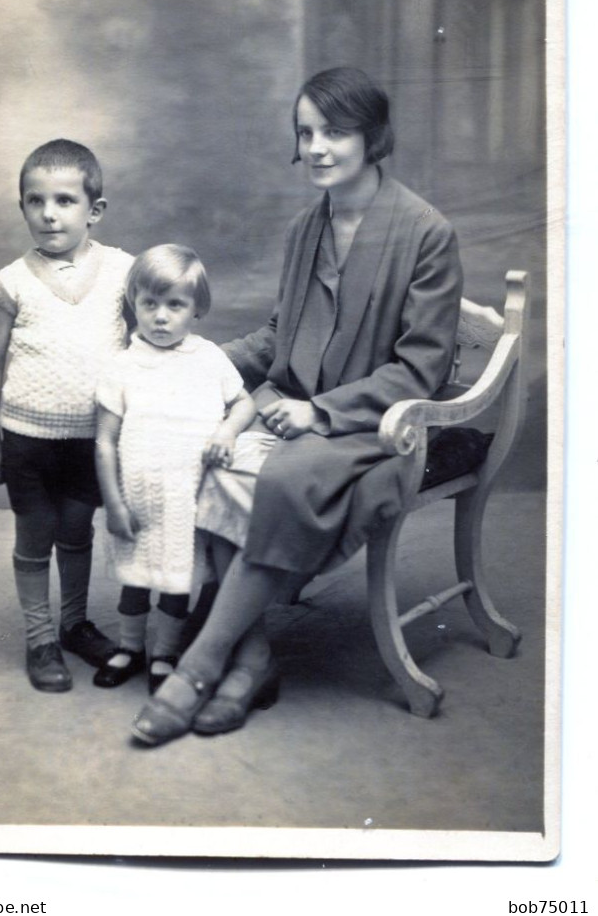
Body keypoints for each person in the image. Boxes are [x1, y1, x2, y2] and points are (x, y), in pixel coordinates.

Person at [131, 66, 464, 745]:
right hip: (296, 407)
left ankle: (200, 665)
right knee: (207, 454)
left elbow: (422, 371)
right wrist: (189, 364)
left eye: (333, 131)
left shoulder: (425, 234)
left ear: (371, 136)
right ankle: (252, 657)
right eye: (305, 132)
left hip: (380, 429)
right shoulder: (305, 229)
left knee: (281, 477)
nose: (315, 147)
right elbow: (279, 337)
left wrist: (322, 413)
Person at [0, 138, 134, 693]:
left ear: (95, 210)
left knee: (76, 529)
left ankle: (73, 624)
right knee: (36, 533)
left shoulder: (122, 273)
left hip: (93, 439)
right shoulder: (11, 283)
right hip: (27, 439)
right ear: (22, 207)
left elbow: (146, 350)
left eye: (65, 200)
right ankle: (40, 636)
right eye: (34, 200)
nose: (48, 213)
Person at [93, 244, 256, 694]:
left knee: (176, 582)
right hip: (138, 499)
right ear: (134, 305)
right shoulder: (122, 366)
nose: (160, 317)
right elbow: (105, 441)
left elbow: (244, 403)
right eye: (150, 304)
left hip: (188, 500)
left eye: (175, 305)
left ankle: (164, 654)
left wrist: (226, 433)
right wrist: (113, 502)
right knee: (135, 579)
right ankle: (131, 648)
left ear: (196, 309)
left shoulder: (207, 359)